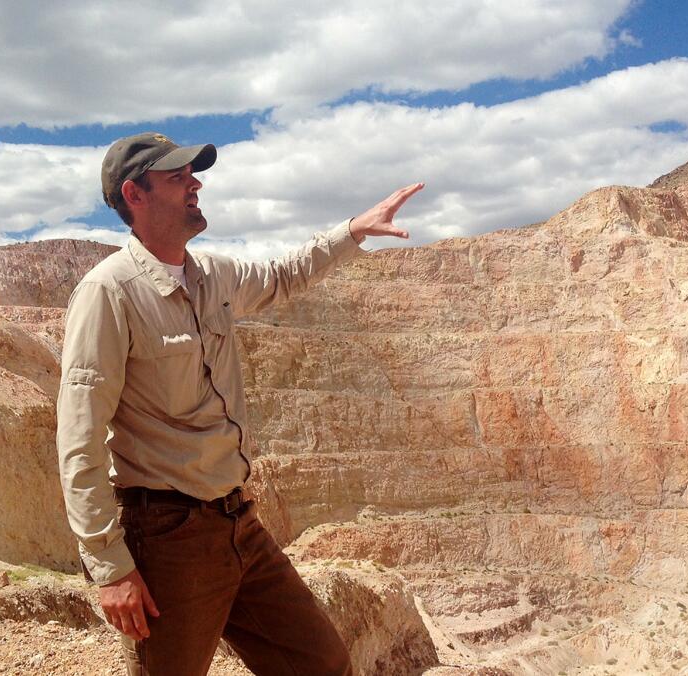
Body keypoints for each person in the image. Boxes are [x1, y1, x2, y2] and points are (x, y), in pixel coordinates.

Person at [56, 131, 422, 675]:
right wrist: (111, 567)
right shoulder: (109, 293)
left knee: (321, 663)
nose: (194, 184)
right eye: (177, 176)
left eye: (192, 174)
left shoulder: (213, 277)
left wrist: (352, 232)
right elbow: (79, 440)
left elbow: (282, 275)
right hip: (166, 540)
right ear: (135, 195)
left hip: (238, 523)